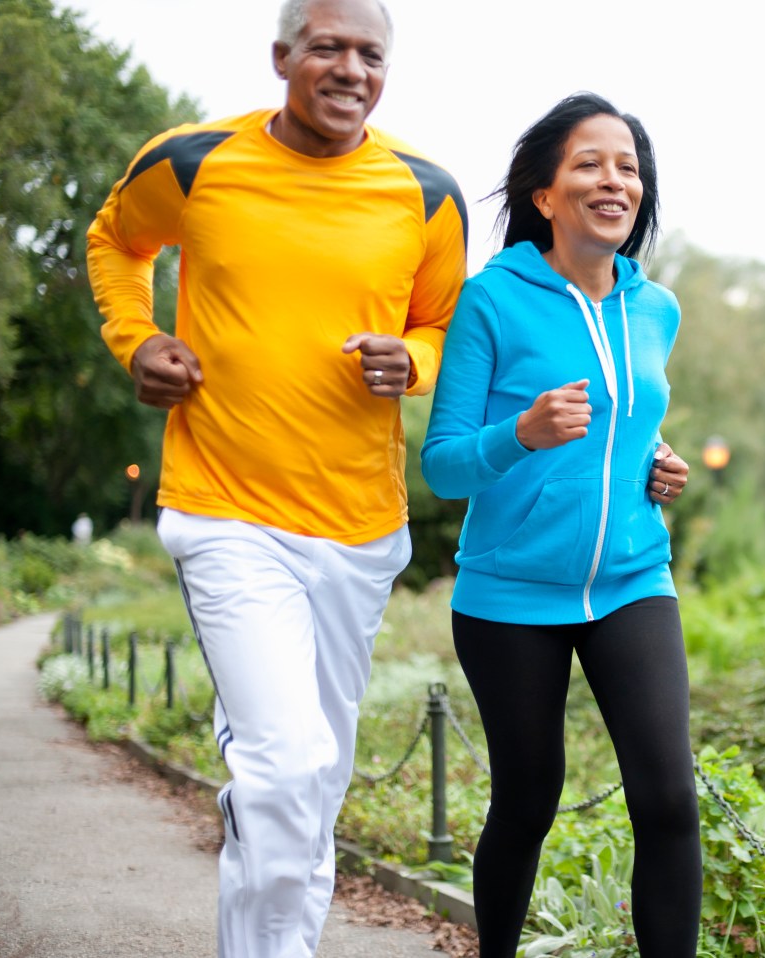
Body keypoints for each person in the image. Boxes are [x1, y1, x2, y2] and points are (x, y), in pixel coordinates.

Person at [84, 0, 467, 954]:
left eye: (370, 54)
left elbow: (447, 328)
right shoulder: (193, 160)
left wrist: (411, 363)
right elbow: (114, 242)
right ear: (281, 57)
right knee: (285, 766)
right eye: (327, 48)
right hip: (225, 511)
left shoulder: (426, 193)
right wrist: (137, 339)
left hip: (359, 528)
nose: (350, 69)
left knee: (314, 783)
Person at [420, 92, 700, 957]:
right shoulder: (492, 301)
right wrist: (521, 435)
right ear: (544, 194)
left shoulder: (655, 309)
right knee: (531, 795)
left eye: (629, 167)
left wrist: (659, 462)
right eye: (591, 162)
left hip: (631, 579)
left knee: (667, 798)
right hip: (510, 592)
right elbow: (441, 463)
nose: (615, 180)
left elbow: (629, 415)